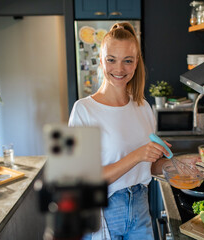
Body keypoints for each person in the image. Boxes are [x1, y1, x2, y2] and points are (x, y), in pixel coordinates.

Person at [68, 22, 169, 239]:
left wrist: (175, 166)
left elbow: (149, 166)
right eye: (111, 60)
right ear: (101, 60)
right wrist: (137, 155)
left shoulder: (143, 107)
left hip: (141, 208)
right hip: (104, 212)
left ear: (136, 63)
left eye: (128, 61)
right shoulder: (83, 110)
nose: (119, 69)